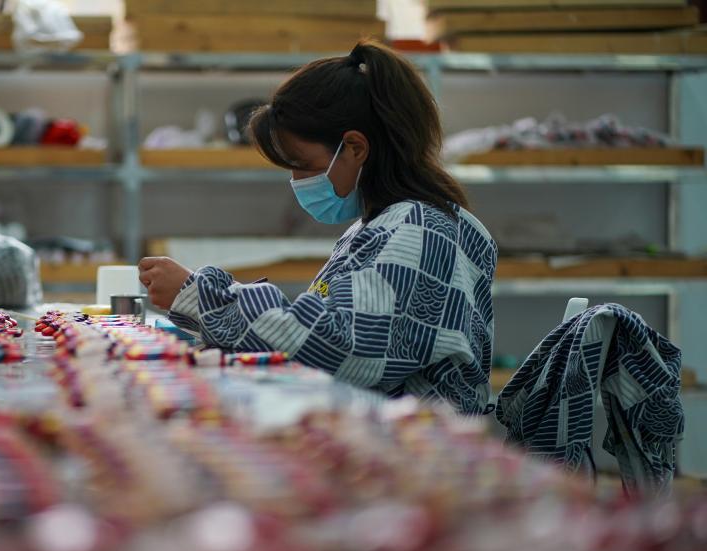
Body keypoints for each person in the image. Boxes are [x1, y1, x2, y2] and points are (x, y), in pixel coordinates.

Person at [139, 41, 497, 415]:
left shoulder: (420, 231)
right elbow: (320, 325)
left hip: (414, 443)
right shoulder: (379, 227)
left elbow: (341, 347)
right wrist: (205, 301)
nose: (297, 182)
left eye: (304, 166)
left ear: (355, 148)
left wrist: (202, 297)